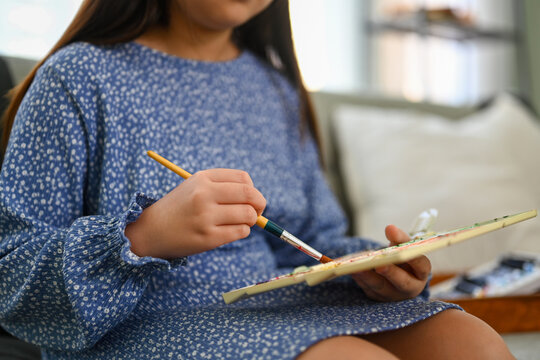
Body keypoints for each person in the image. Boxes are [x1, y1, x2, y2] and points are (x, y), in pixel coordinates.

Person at [0, 0, 514, 359]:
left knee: (469, 341)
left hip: (272, 307)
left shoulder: (276, 90)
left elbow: (314, 241)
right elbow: (12, 279)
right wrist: (144, 237)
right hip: (136, 329)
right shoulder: (77, 79)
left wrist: (370, 271)